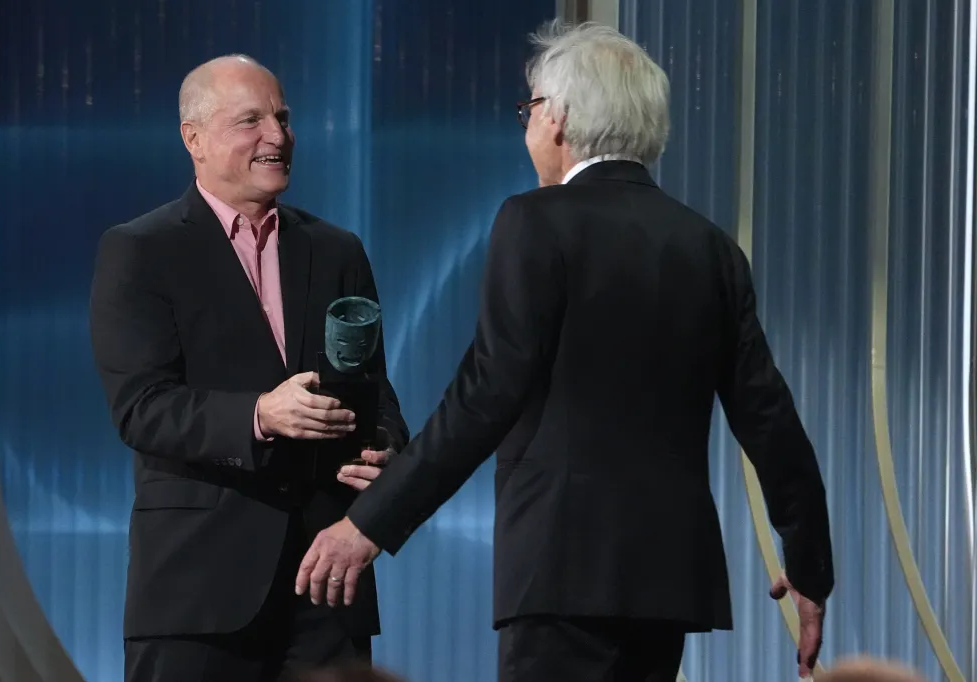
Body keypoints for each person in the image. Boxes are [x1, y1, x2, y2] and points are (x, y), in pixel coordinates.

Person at [294, 21, 834, 682]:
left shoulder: (533, 219)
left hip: (560, 571)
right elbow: (769, 418)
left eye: (529, 109)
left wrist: (369, 524)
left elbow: (487, 392)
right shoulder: (709, 246)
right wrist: (809, 567)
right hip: (666, 580)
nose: (526, 127)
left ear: (559, 119)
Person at [89, 54, 408, 682]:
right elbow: (142, 407)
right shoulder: (141, 250)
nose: (277, 136)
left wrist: (387, 446)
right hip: (197, 592)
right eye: (250, 121)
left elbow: (375, 390)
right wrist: (260, 415)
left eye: (283, 119)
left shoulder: (337, 249)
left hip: (327, 583)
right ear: (194, 138)